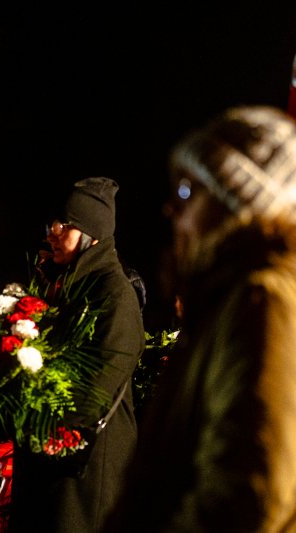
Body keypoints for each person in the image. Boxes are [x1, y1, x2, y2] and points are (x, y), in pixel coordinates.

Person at [106, 106, 296, 532]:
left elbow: (246, 492)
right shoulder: (227, 297)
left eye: (189, 191)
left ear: (237, 202)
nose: (171, 209)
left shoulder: (262, 298)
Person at [8, 178, 145, 532]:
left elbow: (101, 380)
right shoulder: (69, 286)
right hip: (50, 458)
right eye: (52, 225)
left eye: (64, 226)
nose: (52, 234)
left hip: (85, 468)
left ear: (92, 232)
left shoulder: (114, 294)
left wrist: (45, 427)